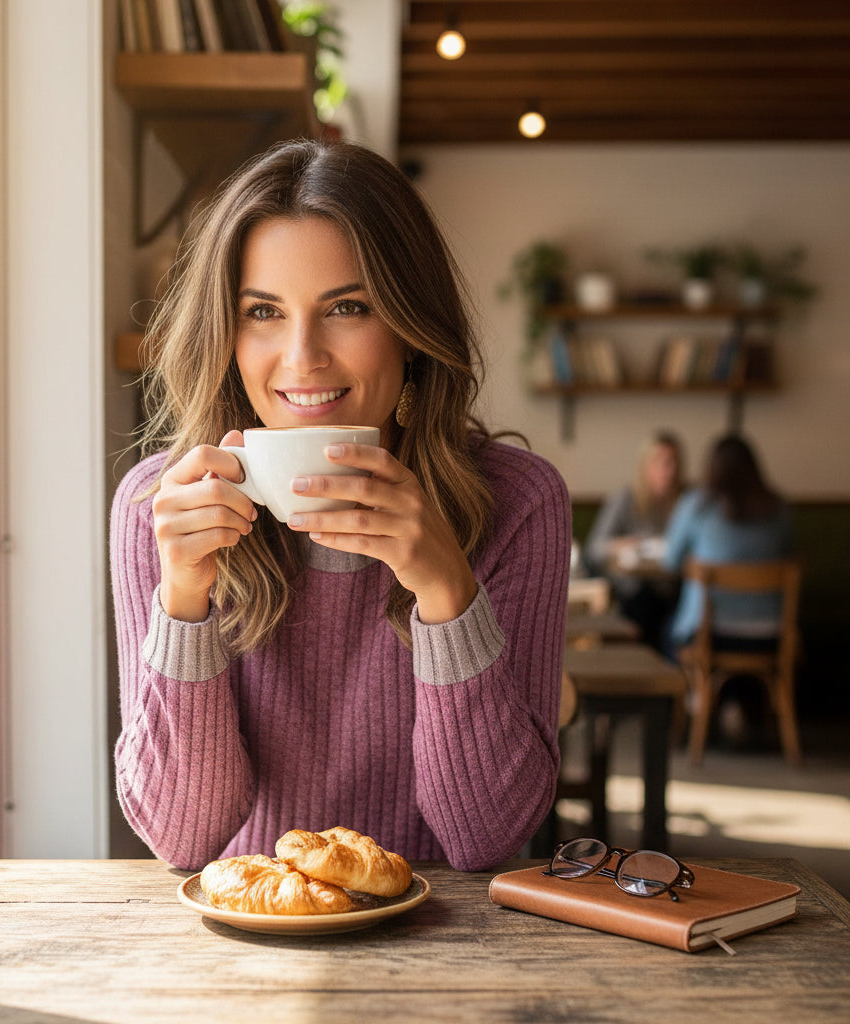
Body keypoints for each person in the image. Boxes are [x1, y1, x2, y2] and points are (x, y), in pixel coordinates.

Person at [109, 138, 571, 873]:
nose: (302, 357)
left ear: (412, 329)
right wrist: (185, 602)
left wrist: (447, 591)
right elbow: (180, 837)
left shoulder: (517, 501)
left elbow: (485, 837)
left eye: (347, 307)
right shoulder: (160, 508)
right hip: (245, 941)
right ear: (225, 335)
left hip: (450, 949)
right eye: (262, 311)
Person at [663, 433, 794, 654]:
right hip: (771, 633)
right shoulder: (780, 509)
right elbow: (788, 555)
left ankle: (692, 688)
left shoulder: (697, 506)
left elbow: (669, 563)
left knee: (665, 630)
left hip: (708, 633)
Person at [583, 430, 687, 647]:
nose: (668, 471)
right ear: (645, 466)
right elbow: (593, 549)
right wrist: (621, 545)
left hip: (673, 587)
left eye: (673, 463)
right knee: (645, 605)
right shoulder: (625, 499)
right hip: (633, 591)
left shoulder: (687, 503)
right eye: (661, 463)